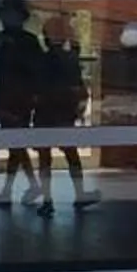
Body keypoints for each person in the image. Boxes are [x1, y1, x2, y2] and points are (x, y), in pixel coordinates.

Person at [34, 12, 99, 213]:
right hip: (63, 110)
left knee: (45, 156)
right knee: (71, 153)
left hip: (45, 109)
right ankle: (79, 194)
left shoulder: (41, 60)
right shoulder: (69, 59)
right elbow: (77, 85)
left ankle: (47, 200)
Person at [0, 0, 48, 208]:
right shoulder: (10, 40)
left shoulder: (23, 41)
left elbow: (37, 70)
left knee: (15, 143)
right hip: (7, 96)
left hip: (18, 97)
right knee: (16, 144)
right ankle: (25, 186)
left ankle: (10, 189)